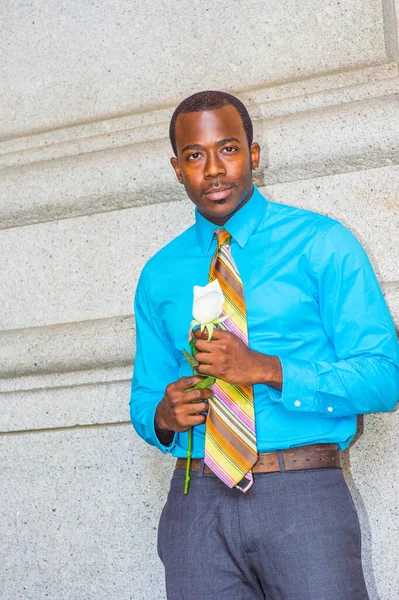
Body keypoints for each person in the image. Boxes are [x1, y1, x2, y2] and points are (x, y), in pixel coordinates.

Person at [129, 90, 399, 600]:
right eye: (194, 155)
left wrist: (267, 369)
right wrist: (165, 414)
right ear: (177, 167)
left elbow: (385, 376)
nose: (213, 169)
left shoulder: (322, 243)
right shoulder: (158, 274)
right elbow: (144, 397)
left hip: (301, 497)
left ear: (253, 154)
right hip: (195, 504)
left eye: (227, 149)